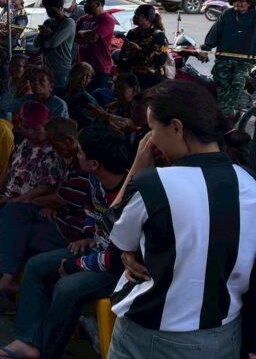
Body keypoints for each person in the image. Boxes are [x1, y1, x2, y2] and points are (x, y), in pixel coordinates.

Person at [106, 81, 256, 358]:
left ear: (176, 128)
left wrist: (137, 167)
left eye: (152, 130)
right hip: (225, 336)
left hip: (153, 337)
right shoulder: (250, 184)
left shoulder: (155, 185)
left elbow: (116, 235)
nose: (151, 140)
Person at [0, 126, 132, 359]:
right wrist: (88, 236)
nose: (77, 156)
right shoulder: (95, 181)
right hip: (95, 250)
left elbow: (115, 258)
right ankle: (27, 341)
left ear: (94, 163)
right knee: (36, 266)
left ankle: (47, 353)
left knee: (66, 287)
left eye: (81, 152)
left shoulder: (129, 196)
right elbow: (90, 211)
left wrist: (74, 265)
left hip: (118, 268)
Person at [0, 102, 65, 270]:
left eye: (36, 129)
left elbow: (46, 187)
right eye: (26, 128)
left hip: (29, 203)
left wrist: (15, 201)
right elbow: (10, 166)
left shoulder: (52, 150)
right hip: (8, 195)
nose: (31, 133)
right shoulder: (23, 142)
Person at [200, 0, 256, 118]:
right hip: (223, 60)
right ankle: (226, 117)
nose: (238, 3)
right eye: (236, 0)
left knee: (237, 84)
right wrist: (205, 49)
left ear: (249, 3)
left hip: (245, 61)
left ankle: (223, 116)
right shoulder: (227, 14)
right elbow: (215, 33)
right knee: (222, 90)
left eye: (242, 1)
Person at [116, 4, 169, 89]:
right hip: (132, 80)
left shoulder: (159, 36)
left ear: (147, 18)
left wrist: (139, 50)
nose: (134, 17)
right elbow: (123, 55)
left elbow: (160, 60)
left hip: (151, 80)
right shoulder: (132, 33)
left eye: (137, 15)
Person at [34, 0, 76, 91]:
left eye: (52, 9)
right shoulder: (48, 22)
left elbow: (52, 43)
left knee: (59, 93)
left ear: (61, 8)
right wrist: (42, 34)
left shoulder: (68, 23)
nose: (49, 12)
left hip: (61, 67)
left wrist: (47, 35)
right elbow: (35, 43)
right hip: (46, 66)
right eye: (47, 9)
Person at [75, 0, 115, 89]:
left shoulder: (107, 19)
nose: (85, 5)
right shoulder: (83, 19)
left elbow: (94, 36)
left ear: (97, 4)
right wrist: (84, 36)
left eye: (88, 2)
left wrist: (82, 33)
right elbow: (73, 37)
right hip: (83, 68)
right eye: (85, 2)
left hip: (100, 68)